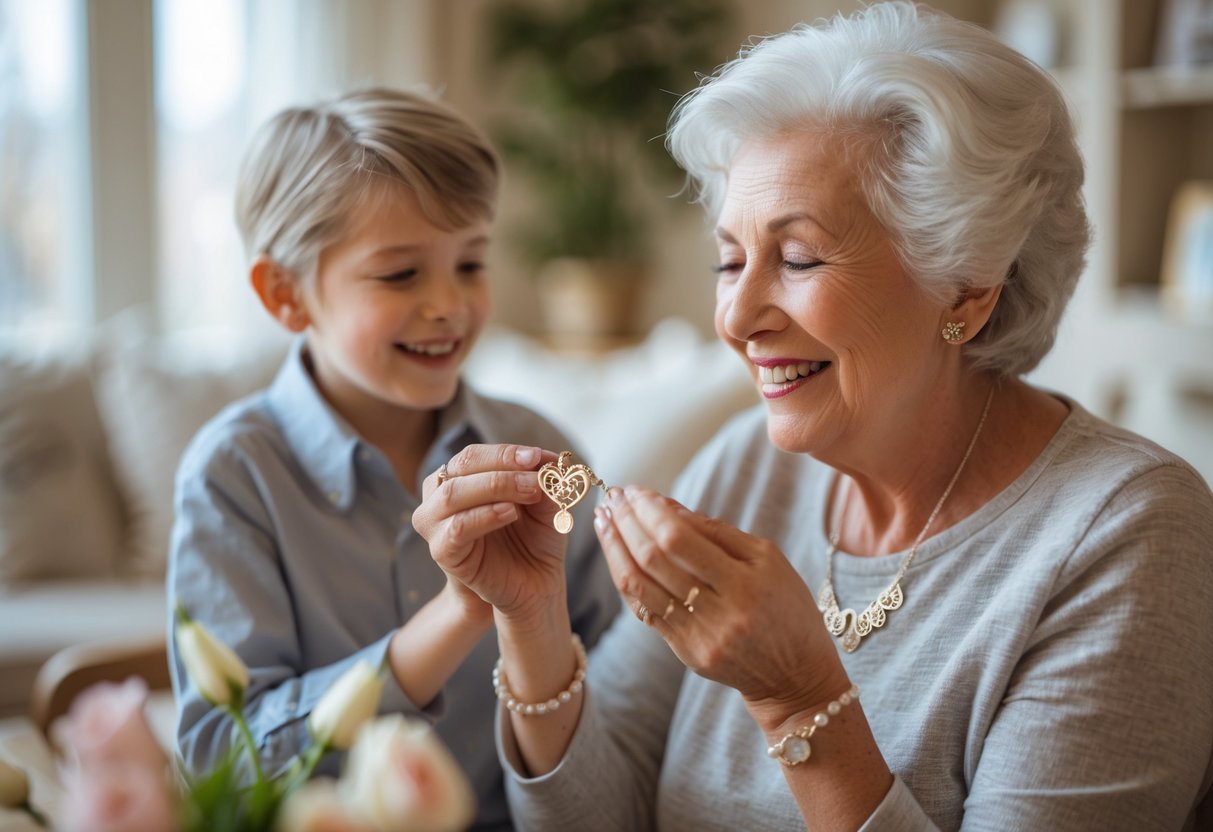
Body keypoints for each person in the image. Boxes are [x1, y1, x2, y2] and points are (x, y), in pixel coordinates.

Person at [412, 3, 1213, 829]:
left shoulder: (1130, 535)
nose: (735, 316)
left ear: (968, 289)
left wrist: (799, 701)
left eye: (796, 258)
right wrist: (533, 623)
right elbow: (593, 813)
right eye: (730, 260)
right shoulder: (746, 467)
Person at [166, 87, 619, 831]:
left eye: (470, 264)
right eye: (400, 274)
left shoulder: (540, 446)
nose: (448, 303)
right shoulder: (234, 477)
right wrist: (461, 611)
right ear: (285, 295)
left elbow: (620, 692)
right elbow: (223, 764)